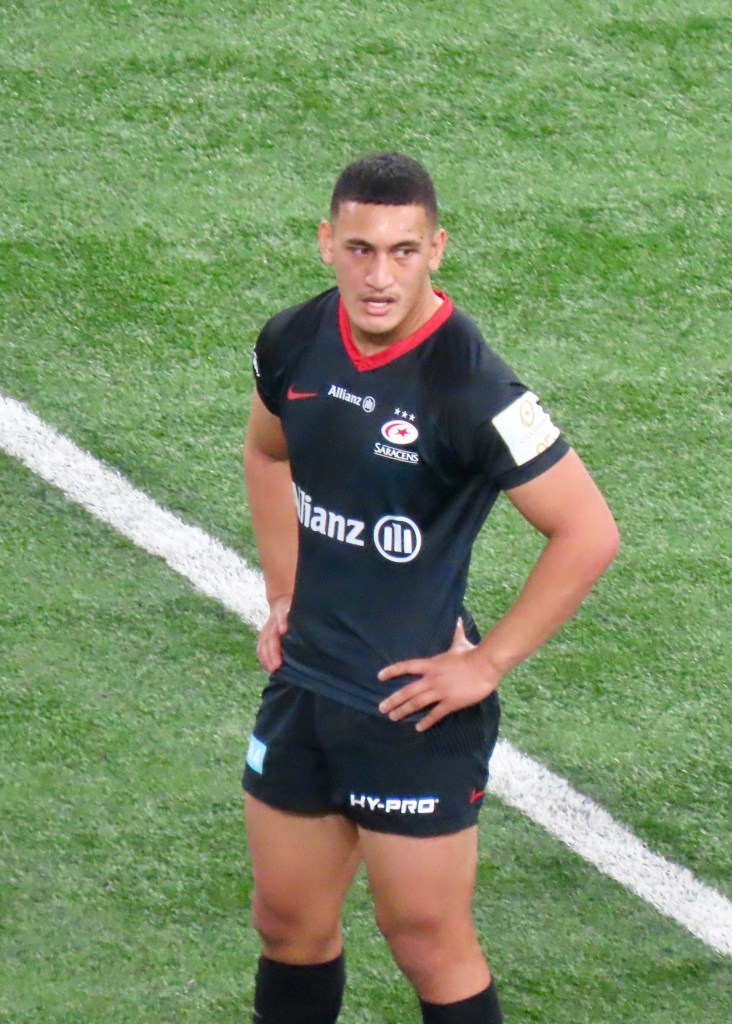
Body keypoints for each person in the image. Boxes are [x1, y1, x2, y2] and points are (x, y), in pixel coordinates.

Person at [242, 151, 620, 1024]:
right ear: (327, 243)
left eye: (403, 251)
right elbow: (267, 451)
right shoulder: (293, 339)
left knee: (424, 940)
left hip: (412, 711)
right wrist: (283, 591)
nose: (380, 276)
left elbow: (588, 532)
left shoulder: (470, 386)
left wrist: (486, 663)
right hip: (305, 685)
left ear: (436, 250)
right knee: (287, 923)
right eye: (361, 249)